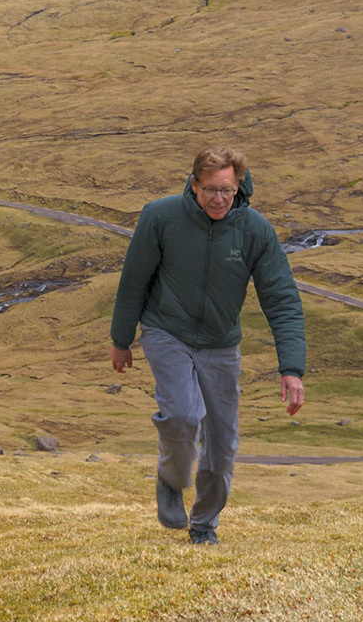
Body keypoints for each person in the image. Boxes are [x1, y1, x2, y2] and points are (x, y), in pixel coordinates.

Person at [109, 146, 306, 545]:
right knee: (183, 414)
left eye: (227, 190)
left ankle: (203, 525)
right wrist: (121, 339)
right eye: (211, 190)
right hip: (167, 331)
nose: (219, 199)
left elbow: (282, 298)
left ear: (239, 187)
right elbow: (133, 280)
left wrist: (291, 368)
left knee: (222, 444)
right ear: (195, 185)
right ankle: (171, 481)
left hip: (220, 344)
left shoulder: (255, 231)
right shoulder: (160, 217)